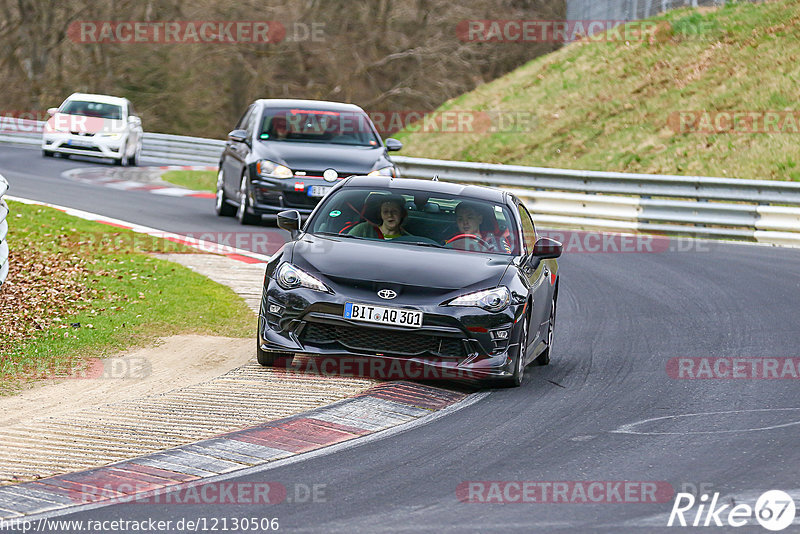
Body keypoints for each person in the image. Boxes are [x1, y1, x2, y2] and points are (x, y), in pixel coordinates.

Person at [447, 201, 511, 252]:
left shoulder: (496, 241)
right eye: (460, 219)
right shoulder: (450, 239)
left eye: (470, 217)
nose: (465, 222)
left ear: (480, 219)